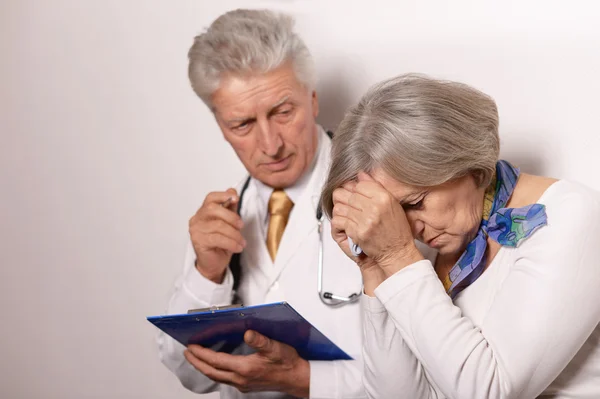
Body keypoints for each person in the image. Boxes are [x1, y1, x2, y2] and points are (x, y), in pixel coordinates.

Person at [320, 73, 600, 398]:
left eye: (415, 203)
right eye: (390, 213)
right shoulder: (420, 254)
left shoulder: (572, 215)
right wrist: (374, 268)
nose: (405, 229)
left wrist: (397, 257)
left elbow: (491, 392)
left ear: (466, 165)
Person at [157, 9, 365, 399]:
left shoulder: (381, 194)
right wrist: (207, 273)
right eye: (243, 125)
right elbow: (193, 376)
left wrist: (305, 380)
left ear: (314, 100)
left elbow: (426, 373)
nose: (271, 145)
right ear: (221, 127)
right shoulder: (222, 218)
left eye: (283, 112)